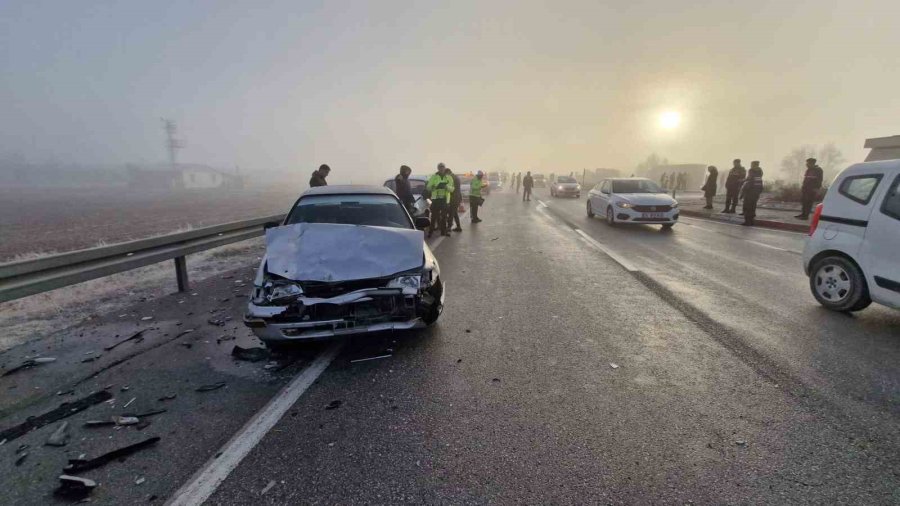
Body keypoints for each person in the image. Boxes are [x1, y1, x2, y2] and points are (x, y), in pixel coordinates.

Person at [426, 163, 454, 238]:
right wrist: (435, 187)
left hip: (445, 200)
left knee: (444, 217)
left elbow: (452, 189)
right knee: (434, 217)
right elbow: (428, 187)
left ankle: (443, 232)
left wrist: (446, 187)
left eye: (443, 167)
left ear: (445, 168)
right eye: (440, 167)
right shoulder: (434, 177)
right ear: (438, 168)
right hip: (435, 199)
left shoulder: (449, 177)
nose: (441, 168)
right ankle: (430, 232)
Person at [739, 161, 764, 226]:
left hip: (750, 191)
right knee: (753, 206)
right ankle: (751, 221)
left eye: (751, 164)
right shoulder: (760, 172)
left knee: (747, 206)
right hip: (757, 191)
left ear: (754, 165)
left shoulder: (751, 170)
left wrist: (742, 181)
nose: (751, 165)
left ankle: (747, 221)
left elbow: (749, 179)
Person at [446, 168, 463, 232]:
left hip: (453, 198)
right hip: (457, 197)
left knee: (451, 213)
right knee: (455, 213)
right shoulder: (456, 177)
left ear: (448, 172)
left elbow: (452, 189)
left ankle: (449, 227)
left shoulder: (452, 178)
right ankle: (458, 227)